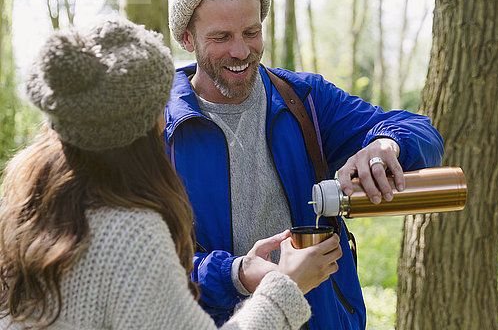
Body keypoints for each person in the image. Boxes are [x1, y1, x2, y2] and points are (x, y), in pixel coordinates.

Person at [0, 17, 343, 330]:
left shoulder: (20, 204)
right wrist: (287, 286)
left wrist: (236, 272)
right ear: (145, 123)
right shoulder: (129, 234)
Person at [165, 0, 444, 329]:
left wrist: (385, 144)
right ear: (187, 38)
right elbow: (148, 267)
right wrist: (238, 274)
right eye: (221, 37)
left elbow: (419, 130)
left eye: (251, 32)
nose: (241, 51)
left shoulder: (304, 99)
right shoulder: (158, 129)